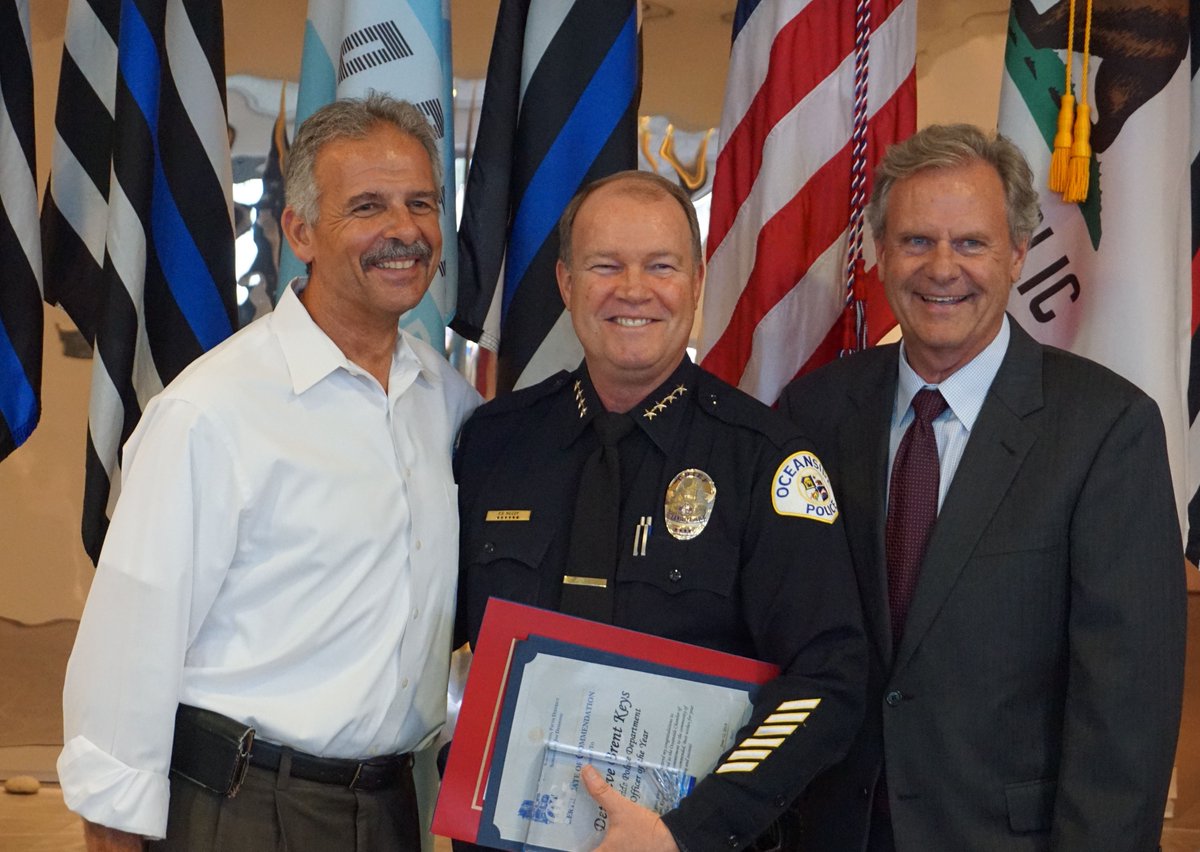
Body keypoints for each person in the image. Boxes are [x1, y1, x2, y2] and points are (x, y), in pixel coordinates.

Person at [58, 94, 479, 851]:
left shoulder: (447, 405)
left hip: (389, 809)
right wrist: (111, 830)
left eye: (422, 203)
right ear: (300, 231)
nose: (405, 230)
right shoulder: (212, 412)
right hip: (241, 810)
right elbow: (131, 644)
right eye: (369, 206)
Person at [778, 123, 1186, 850]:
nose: (942, 268)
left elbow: (1128, 712)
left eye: (971, 243)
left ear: (1018, 255)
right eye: (915, 241)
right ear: (879, 252)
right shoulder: (814, 414)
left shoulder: (1106, 429)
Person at [453, 170, 867, 852]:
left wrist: (689, 832)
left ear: (698, 284)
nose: (633, 290)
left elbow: (828, 680)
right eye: (605, 266)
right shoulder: (495, 444)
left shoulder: (762, 461)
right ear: (564, 284)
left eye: (662, 266)